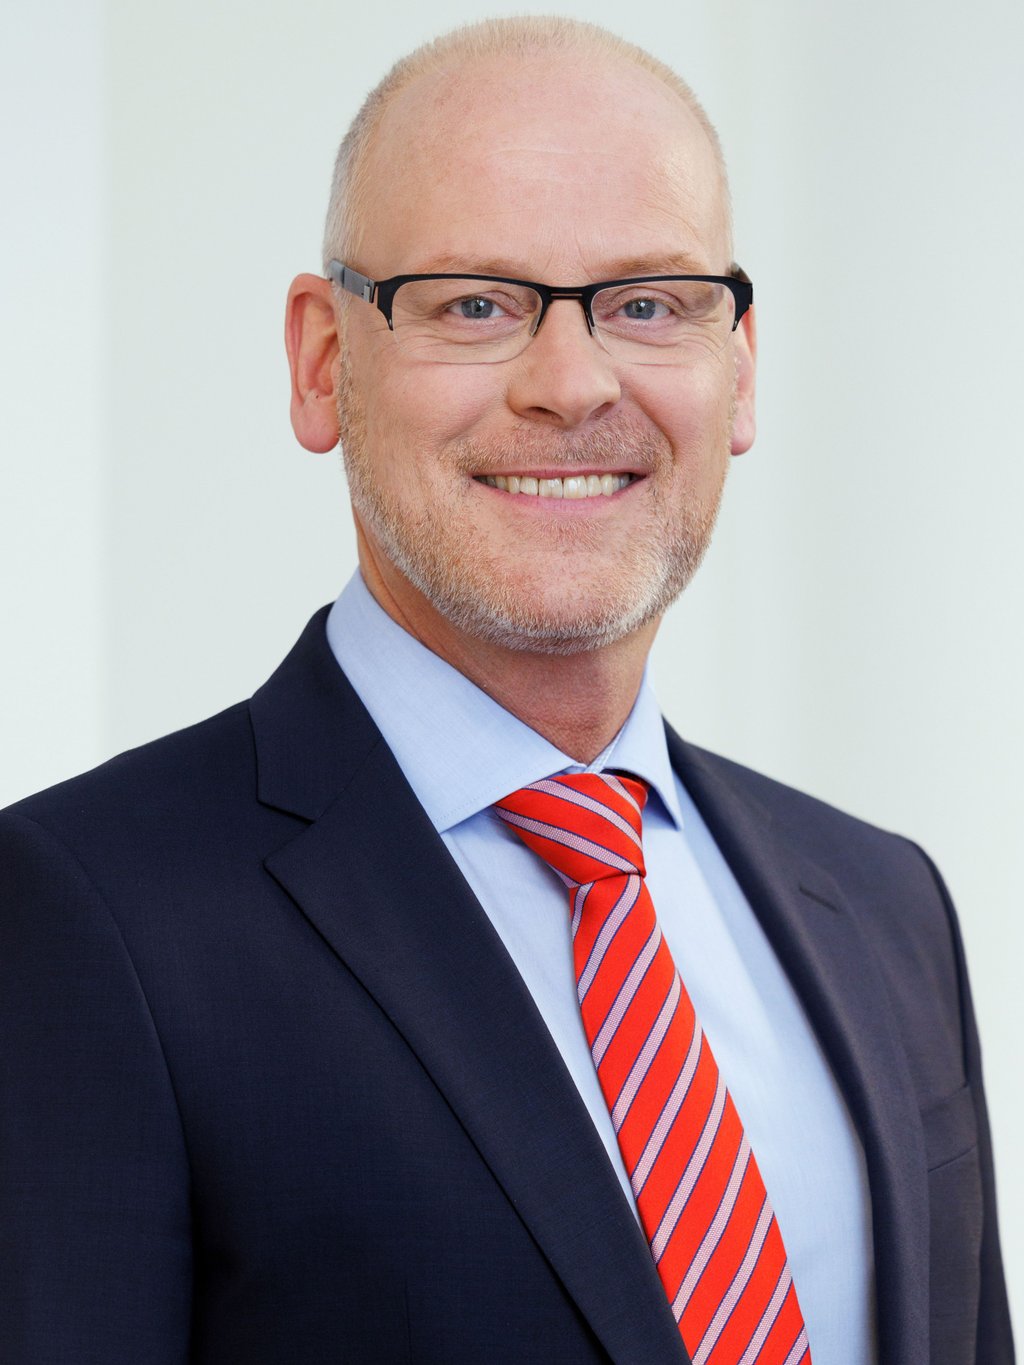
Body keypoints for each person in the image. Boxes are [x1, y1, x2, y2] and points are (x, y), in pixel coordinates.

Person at [0, 16, 1012, 1365]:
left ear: (740, 365)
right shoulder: (84, 917)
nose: (572, 384)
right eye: (475, 303)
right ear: (322, 360)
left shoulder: (886, 905)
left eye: (648, 303)